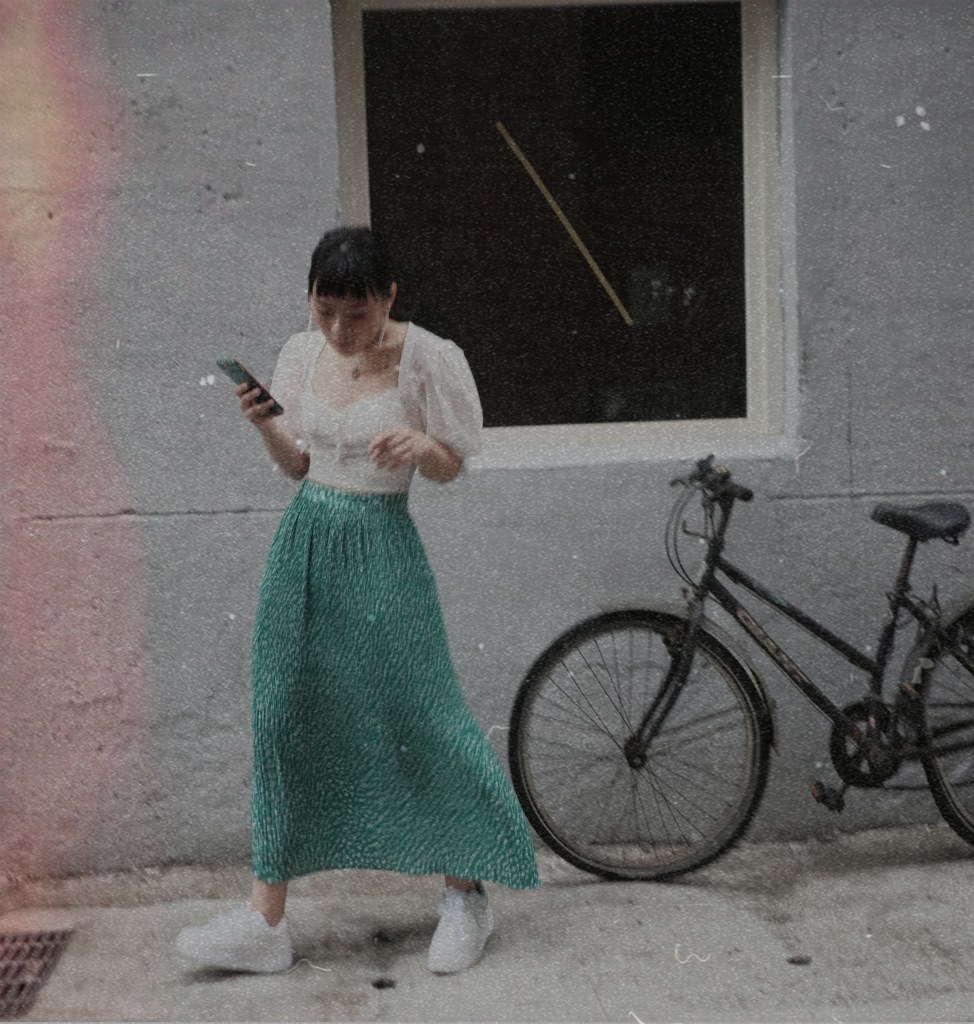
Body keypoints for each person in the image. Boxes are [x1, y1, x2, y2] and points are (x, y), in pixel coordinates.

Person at [176, 226, 540, 976]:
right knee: (282, 717)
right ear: (311, 298)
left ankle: (465, 894)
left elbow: (450, 467)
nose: (340, 330)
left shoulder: (429, 358)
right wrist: (266, 426)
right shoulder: (299, 353)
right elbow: (298, 465)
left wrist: (421, 447)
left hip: (383, 548)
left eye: (359, 313)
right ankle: (265, 922)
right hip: (305, 546)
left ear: (389, 298)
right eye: (325, 310)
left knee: (422, 717)